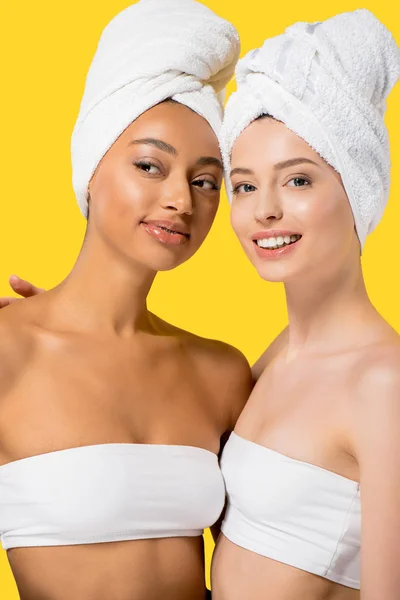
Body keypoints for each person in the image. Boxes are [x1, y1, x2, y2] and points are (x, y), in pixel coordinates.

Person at [0, 2, 251, 600]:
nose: (181, 201)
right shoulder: (10, 352)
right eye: (149, 165)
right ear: (91, 167)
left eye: (205, 180)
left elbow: (268, 559)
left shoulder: (220, 372)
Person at [211, 9, 400, 600]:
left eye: (297, 180)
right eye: (244, 185)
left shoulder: (384, 383)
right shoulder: (277, 356)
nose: (263, 211)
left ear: (357, 187)